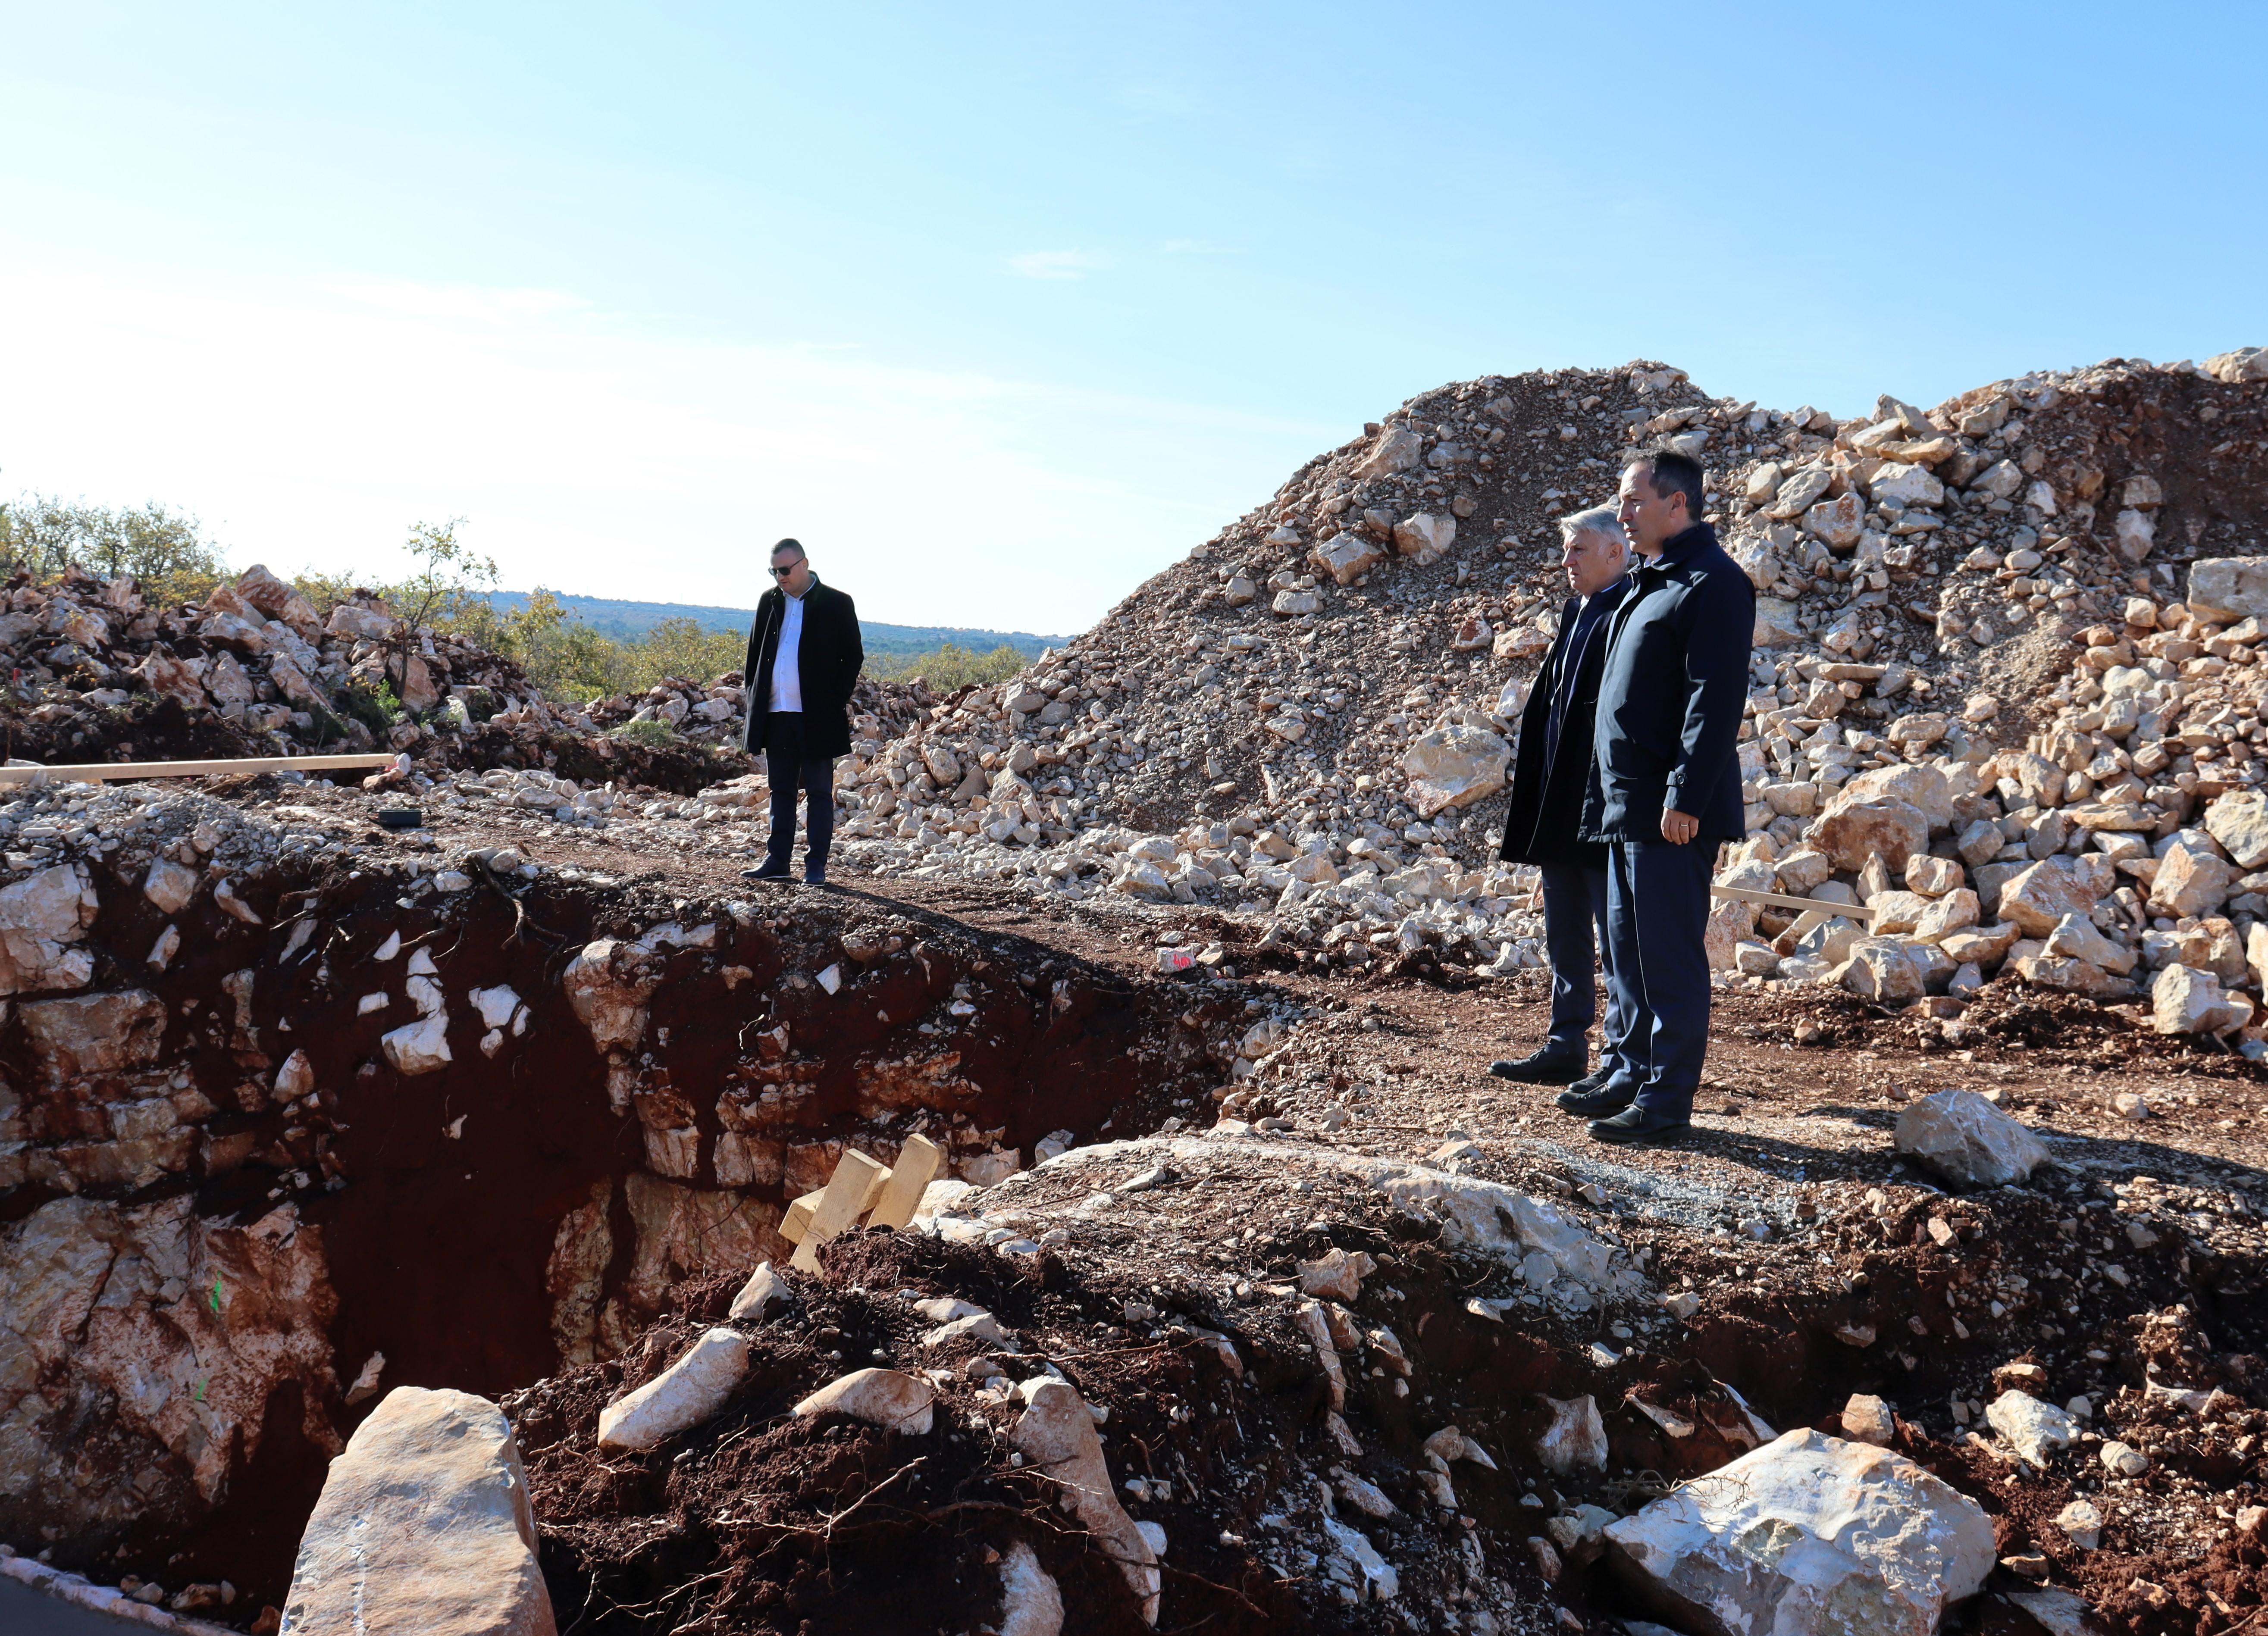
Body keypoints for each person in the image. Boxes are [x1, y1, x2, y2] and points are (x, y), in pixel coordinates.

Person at [1576, 449, 1754, 1144]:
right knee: (1626, 947)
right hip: (1626, 805)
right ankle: (1630, 1069)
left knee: (1668, 953)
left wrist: (1685, 795)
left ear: (1676, 504)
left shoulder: (1714, 583)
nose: (1622, 514)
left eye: (1633, 502)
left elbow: (1714, 702)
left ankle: (1666, 1099)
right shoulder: (1652, 581)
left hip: (1670, 811)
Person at [1488, 507, 1637, 1094]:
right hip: (1560, 797)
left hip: (1601, 802)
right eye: (1567, 549)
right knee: (1565, 926)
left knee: (1616, 933)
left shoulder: (1628, 611)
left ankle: (1620, 1057)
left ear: (1614, 552)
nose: (1566, 562)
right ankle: (1565, 1042)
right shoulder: (1578, 609)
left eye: (1577, 550)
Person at [740, 538, 863, 885]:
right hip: (777, 713)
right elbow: (755, 656)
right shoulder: (769, 601)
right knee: (781, 790)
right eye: (774, 570)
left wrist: (833, 701)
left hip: (817, 717)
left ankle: (816, 867)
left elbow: (852, 656)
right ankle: (777, 861)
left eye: (784, 570)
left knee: (820, 793)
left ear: (804, 564)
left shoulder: (837, 603)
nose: (779, 577)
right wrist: (755, 700)